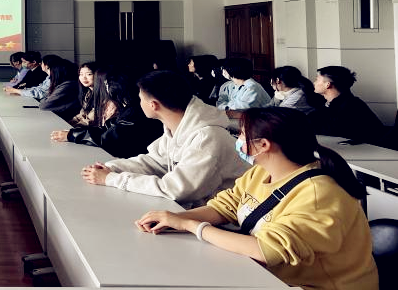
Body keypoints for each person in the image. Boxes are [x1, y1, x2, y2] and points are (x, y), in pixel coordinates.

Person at [135, 108, 377, 290]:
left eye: (241, 134)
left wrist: (190, 225)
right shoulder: (261, 172)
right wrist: (174, 219)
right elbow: (226, 207)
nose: (237, 140)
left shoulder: (318, 193)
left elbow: (267, 250)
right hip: (271, 277)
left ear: (263, 145)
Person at [82, 70, 247, 208]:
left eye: (141, 99)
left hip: (226, 222)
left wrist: (112, 179)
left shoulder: (207, 138)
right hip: (199, 211)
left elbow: (176, 190)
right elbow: (154, 162)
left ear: (153, 105)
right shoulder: (179, 125)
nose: (138, 103)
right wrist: (111, 168)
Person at [53, 69, 162, 159]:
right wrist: (74, 132)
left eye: (106, 85)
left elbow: (109, 140)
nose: (104, 88)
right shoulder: (128, 107)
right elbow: (108, 127)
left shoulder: (134, 111)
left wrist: (72, 135)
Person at [310, 65, 386, 145]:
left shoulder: (352, 106)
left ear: (327, 85)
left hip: (365, 150)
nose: (314, 83)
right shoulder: (329, 103)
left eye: (317, 79)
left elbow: (330, 131)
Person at [68, 61, 98, 126]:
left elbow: (91, 120)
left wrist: (72, 129)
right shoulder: (88, 93)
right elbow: (83, 113)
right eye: (81, 74)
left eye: (89, 74)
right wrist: (69, 123)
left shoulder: (103, 94)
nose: (84, 77)